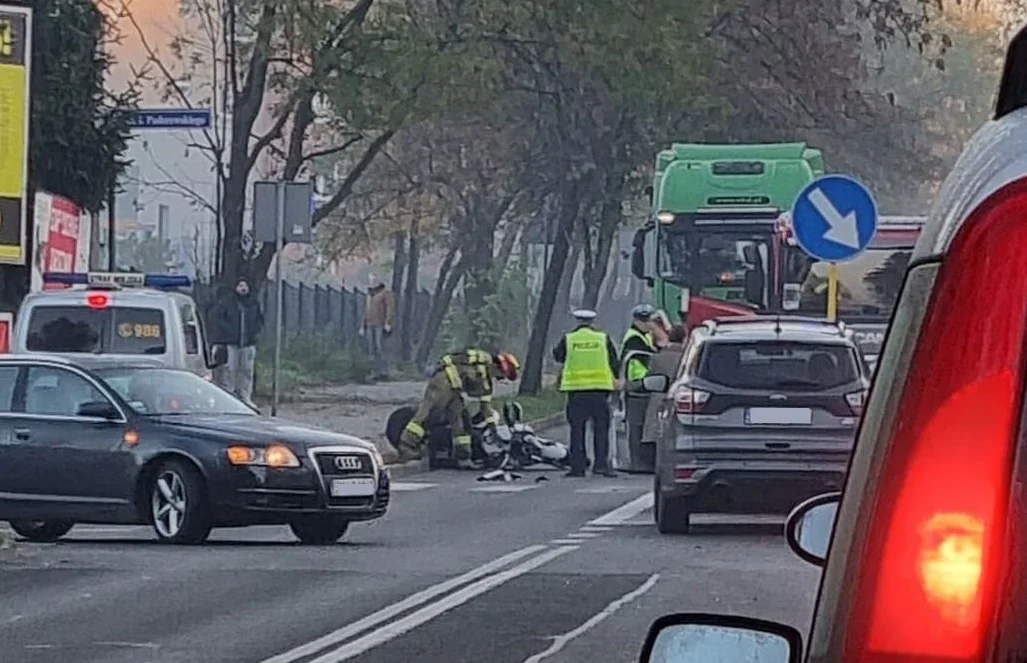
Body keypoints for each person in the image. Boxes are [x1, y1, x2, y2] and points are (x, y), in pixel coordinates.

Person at [397, 349, 520, 468]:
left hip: (456, 390)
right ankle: (406, 448)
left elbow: (485, 407)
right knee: (428, 414)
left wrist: (493, 428)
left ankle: (463, 457)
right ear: (499, 366)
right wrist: (441, 365)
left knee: (461, 420)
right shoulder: (481, 358)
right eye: (500, 375)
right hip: (443, 381)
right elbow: (456, 357)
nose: (498, 377)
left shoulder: (486, 383)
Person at [552, 309, 621, 478]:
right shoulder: (602, 338)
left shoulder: (569, 339)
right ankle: (601, 465)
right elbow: (614, 361)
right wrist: (617, 381)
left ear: (577, 320)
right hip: (599, 391)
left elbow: (558, 356)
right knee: (601, 429)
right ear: (592, 322)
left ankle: (578, 467)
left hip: (576, 391)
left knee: (577, 430)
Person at [210, 277, 264, 408]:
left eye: (245, 286)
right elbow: (218, 320)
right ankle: (228, 398)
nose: (243, 288)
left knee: (246, 371)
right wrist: (227, 334)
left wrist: (254, 333)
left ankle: (245, 397)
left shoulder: (253, 303)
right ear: (235, 287)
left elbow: (259, 320)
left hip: (248, 344)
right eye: (240, 286)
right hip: (230, 343)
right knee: (229, 371)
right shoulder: (226, 302)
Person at [621, 303, 658, 472]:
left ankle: (644, 461)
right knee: (636, 426)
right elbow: (649, 358)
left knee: (644, 425)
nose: (647, 323)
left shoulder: (645, 336)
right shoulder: (634, 338)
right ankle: (637, 462)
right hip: (636, 386)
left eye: (648, 319)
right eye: (644, 320)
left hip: (646, 385)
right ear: (636, 320)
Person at [641, 324, 688, 447]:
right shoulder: (687, 357)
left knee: (655, 436)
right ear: (684, 338)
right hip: (679, 400)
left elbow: (649, 378)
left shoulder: (657, 357)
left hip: (658, 400)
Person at [359, 274, 395, 380]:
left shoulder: (385, 293)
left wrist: (387, 323)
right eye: (370, 280)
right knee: (371, 348)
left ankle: (384, 372)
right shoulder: (370, 295)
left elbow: (390, 308)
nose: (372, 282)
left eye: (374, 280)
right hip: (370, 324)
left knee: (380, 348)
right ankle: (374, 371)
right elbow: (366, 310)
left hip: (380, 324)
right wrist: (363, 325)